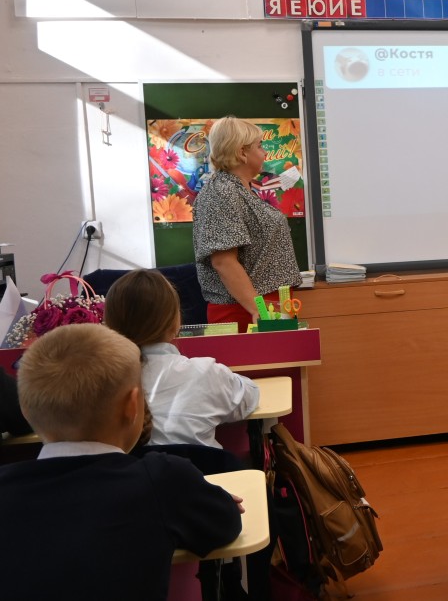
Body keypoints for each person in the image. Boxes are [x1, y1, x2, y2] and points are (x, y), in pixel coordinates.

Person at [0, 324, 242, 600]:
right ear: (133, 405)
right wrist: (212, 497)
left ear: (25, 409)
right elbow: (226, 524)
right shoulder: (163, 480)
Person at [105, 268, 260, 448]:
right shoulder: (205, 373)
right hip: (203, 466)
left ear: (109, 324)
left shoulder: (99, 385)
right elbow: (250, 397)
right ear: (175, 323)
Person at [193, 115, 301, 332]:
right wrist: (258, 309)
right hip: (245, 311)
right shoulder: (222, 192)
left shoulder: (240, 189)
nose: (265, 153)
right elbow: (223, 261)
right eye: (260, 146)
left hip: (264, 306)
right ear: (242, 152)